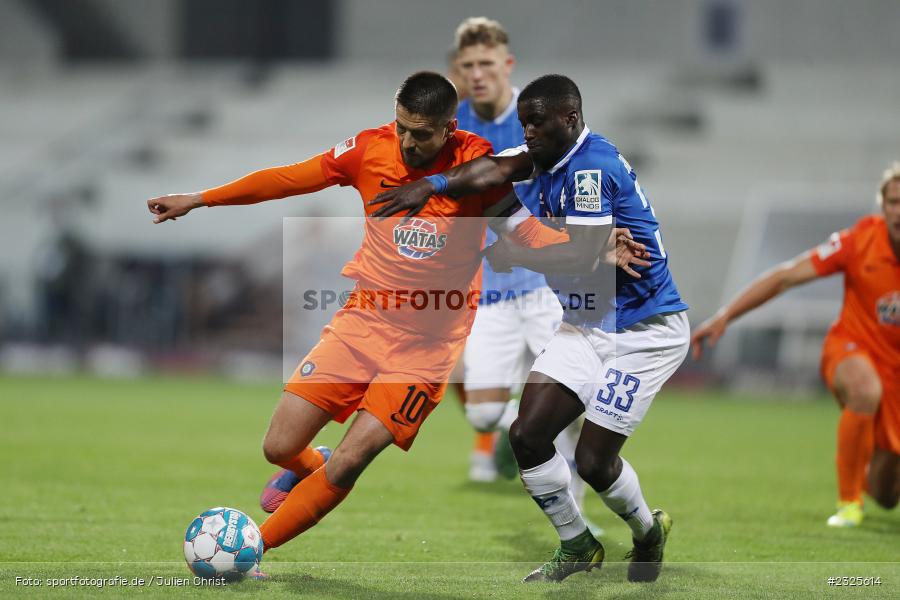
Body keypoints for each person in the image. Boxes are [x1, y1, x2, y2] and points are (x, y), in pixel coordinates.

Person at [147, 71, 647, 560]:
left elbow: (525, 234)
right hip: (361, 323)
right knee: (278, 448)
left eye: (421, 133)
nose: (407, 141)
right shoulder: (370, 148)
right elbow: (288, 179)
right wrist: (200, 198)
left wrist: (594, 248)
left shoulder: (475, 165)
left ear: (449, 128)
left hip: (428, 348)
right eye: (401, 127)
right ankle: (307, 465)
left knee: (349, 461)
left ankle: (254, 547)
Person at [370, 74, 689, 583]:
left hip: (642, 332)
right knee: (527, 433)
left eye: (538, 122)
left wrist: (506, 250)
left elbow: (584, 259)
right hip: (586, 321)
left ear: (571, 118)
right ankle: (576, 543)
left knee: (592, 463)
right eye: (524, 123)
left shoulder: (590, 168)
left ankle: (648, 531)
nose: (529, 131)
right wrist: (430, 184)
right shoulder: (549, 152)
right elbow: (495, 167)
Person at [692, 163, 900, 527]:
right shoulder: (859, 241)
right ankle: (849, 503)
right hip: (852, 349)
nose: (899, 211)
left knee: (886, 494)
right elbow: (787, 276)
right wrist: (726, 315)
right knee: (865, 390)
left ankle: (864, 464)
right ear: (882, 206)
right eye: (893, 202)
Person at [451, 17, 589, 505]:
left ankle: (579, 519)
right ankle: (513, 422)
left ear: (507, 64)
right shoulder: (455, 126)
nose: (477, 73)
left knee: (568, 404)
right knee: (483, 415)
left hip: (548, 286)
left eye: (486, 63)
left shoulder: (535, 117)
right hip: (491, 289)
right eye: (468, 65)